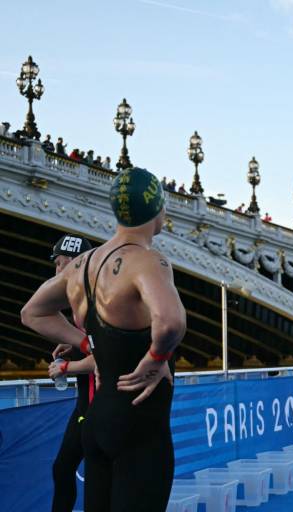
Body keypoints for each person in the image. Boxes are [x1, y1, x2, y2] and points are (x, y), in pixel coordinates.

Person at [21, 166, 186, 511]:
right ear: (156, 210)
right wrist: (156, 359)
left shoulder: (82, 265)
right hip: (139, 428)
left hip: (97, 422)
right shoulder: (148, 262)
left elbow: (32, 312)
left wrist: (87, 344)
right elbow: (170, 322)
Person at [44, 234, 95, 512]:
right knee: (62, 468)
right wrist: (74, 341)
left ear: (75, 266)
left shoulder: (98, 304)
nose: (56, 272)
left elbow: (106, 359)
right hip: (85, 408)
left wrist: (66, 367)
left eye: (60, 264)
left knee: (99, 482)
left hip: (100, 408)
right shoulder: (80, 305)